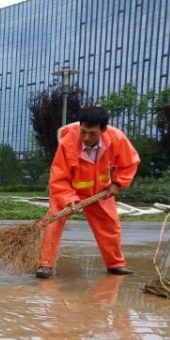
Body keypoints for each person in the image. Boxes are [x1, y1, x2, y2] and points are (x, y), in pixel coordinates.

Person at [36, 106, 140, 278]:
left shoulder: (116, 138)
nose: (86, 137)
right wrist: (69, 198)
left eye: (92, 133)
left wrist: (117, 183)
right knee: (52, 222)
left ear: (103, 130)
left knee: (109, 225)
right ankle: (45, 264)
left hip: (101, 191)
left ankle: (115, 264)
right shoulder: (68, 142)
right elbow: (59, 175)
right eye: (83, 132)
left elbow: (130, 162)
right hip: (68, 190)